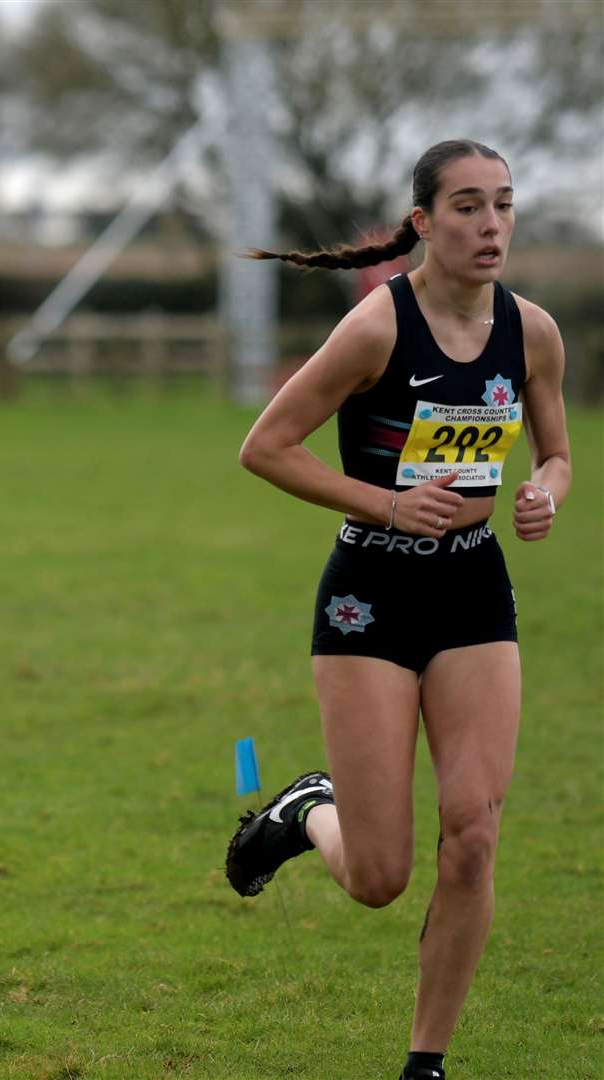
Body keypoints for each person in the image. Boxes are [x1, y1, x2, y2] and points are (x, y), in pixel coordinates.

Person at [228, 140, 571, 1080]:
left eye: (502, 204)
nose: (490, 224)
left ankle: (426, 1063)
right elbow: (266, 448)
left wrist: (544, 491)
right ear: (422, 223)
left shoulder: (531, 331)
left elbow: (554, 455)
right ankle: (306, 812)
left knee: (474, 833)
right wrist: (383, 504)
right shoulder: (376, 328)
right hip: (369, 599)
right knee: (379, 879)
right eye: (466, 206)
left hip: (471, 588)